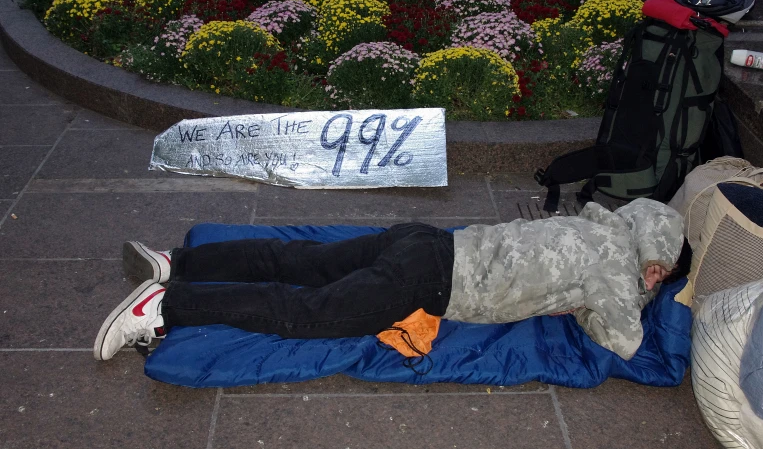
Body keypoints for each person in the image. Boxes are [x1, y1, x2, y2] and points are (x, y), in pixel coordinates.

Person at [94, 198, 690, 362]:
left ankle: (179, 263)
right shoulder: (616, 267)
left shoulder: (591, 225)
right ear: (654, 256)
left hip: (426, 239)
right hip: (429, 280)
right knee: (303, 314)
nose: (655, 279)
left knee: (299, 261)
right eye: (659, 271)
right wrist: (599, 306)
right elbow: (624, 339)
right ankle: (166, 307)